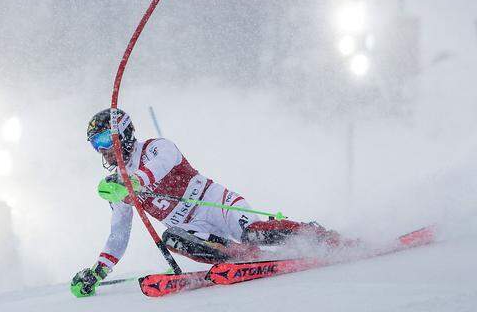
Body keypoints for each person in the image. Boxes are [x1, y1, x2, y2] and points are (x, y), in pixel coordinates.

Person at [70, 108, 341, 297]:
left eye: (105, 140)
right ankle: (245, 259)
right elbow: (118, 235)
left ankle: (319, 236)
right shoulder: (119, 186)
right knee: (172, 239)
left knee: (254, 233)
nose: (102, 150)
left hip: (217, 206)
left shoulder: (156, 148)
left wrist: (133, 182)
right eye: (96, 144)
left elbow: (159, 167)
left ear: (124, 134)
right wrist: (97, 273)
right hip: (191, 226)